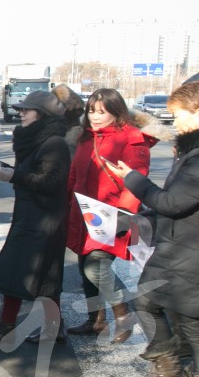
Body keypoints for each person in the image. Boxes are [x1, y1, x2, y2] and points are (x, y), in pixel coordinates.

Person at [105, 82, 199, 377]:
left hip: (190, 252)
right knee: (146, 298)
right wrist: (142, 217)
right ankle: (169, 376)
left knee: (191, 323)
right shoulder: (189, 151)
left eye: (180, 116)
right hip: (175, 249)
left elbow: (173, 201)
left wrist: (132, 179)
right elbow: (175, 202)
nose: (176, 123)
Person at [65, 89, 156, 342]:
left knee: (97, 268)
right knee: (85, 269)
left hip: (112, 216)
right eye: (91, 111)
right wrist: (66, 203)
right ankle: (95, 320)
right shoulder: (85, 138)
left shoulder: (132, 138)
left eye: (101, 112)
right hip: (84, 215)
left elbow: (137, 181)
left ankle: (123, 314)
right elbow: (74, 174)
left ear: (117, 112)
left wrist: (123, 215)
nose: (94, 117)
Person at [0, 90, 70, 345]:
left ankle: (7, 327)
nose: (20, 113)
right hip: (31, 216)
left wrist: (15, 176)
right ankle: (53, 328)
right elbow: (30, 173)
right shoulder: (35, 139)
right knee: (39, 277)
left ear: (42, 114)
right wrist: (6, 170)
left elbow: (52, 182)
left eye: (26, 110)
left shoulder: (54, 143)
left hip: (45, 221)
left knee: (26, 275)